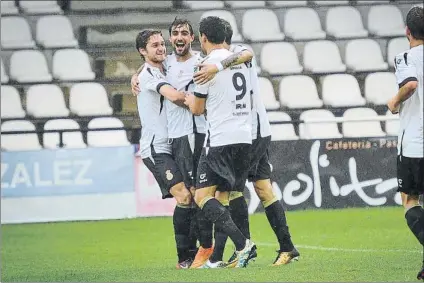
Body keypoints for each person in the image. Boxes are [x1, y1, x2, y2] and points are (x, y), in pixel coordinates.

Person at [131, 18, 255, 269]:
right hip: (178, 138)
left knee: (208, 194)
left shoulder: (204, 59)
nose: (178, 37)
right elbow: (149, 71)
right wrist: (135, 75)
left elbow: (245, 53)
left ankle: (212, 251)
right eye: (174, 33)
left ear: (193, 38)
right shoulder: (162, 65)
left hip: (206, 134)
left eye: (185, 33)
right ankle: (196, 253)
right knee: (192, 195)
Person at [193, 19, 299, 266]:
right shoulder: (234, 56)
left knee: (230, 191)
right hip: (250, 130)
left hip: (252, 131)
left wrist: (216, 68)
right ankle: (282, 246)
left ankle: (241, 249)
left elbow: (246, 53)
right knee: (259, 189)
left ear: (205, 37)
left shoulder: (236, 54)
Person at [184, 16, 256, 268]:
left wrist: (187, 98)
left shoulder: (204, 65)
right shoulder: (240, 59)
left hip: (220, 139)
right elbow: (249, 54)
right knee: (228, 194)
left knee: (203, 196)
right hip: (244, 138)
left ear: (202, 37)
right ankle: (227, 256)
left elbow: (197, 108)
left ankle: (243, 244)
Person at [135, 29, 195, 269]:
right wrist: (198, 102)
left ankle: (196, 254)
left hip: (176, 142)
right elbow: (172, 95)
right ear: (142, 51)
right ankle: (184, 258)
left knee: (192, 195)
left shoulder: (167, 65)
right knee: (183, 195)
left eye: (162, 44)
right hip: (155, 147)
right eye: (154, 46)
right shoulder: (148, 74)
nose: (161, 48)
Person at [387, 6, 423, 281]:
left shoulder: (405, 57)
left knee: (410, 200)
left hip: (415, 144)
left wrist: (394, 101)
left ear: (407, 31)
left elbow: (410, 84)